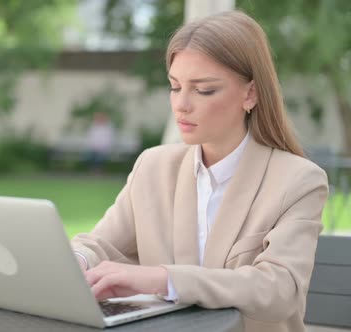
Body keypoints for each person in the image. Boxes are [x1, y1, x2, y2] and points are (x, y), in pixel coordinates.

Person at [71, 10, 328, 332]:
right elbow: (99, 244)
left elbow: (279, 290)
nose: (182, 104)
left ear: (250, 94)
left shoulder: (298, 181)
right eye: (175, 87)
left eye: (204, 90)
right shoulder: (153, 166)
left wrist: (164, 279)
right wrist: (75, 261)